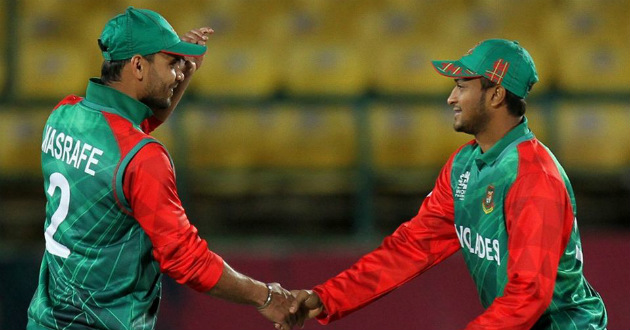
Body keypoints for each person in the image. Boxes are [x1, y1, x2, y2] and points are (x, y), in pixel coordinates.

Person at [289, 39, 608, 329]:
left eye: (461, 86)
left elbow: (529, 294)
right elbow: (412, 247)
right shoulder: (463, 166)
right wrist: (327, 297)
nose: (451, 97)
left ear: (496, 94)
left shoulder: (534, 178)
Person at [27, 7, 295, 330]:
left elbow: (125, 136)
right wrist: (266, 296)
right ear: (138, 65)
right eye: (171, 64)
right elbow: (187, 260)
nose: (179, 74)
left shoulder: (61, 116)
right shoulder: (145, 158)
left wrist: (179, 77)